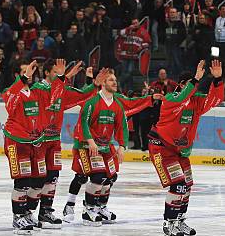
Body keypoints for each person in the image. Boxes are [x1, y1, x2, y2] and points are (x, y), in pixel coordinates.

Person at [68, 71, 158, 225]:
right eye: (111, 80)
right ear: (103, 83)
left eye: (115, 80)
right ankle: (88, 210)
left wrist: (122, 146)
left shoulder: (117, 103)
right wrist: (90, 141)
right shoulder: (92, 102)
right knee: (96, 178)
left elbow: (122, 126)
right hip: (88, 145)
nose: (115, 82)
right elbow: (84, 123)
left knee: (110, 177)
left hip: (104, 146)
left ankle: (101, 207)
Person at [149, 60, 224, 236]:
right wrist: (197, 78)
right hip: (162, 148)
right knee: (178, 185)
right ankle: (169, 223)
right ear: (182, 85)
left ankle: (180, 219)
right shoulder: (170, 99)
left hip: (180, 151)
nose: (195, 88)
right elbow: (181, 97)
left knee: (187, 186)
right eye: (191, 84)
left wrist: (218, 80)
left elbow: (215, 99)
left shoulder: (196, 102)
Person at [36, 61, 106, 228]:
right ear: (46, 73)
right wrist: (65, 77)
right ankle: (28, 212)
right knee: (36, 180)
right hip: (38, 141)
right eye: (55, 71)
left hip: (54, 141)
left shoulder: (62, 89)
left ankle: (45, 211)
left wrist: (93, 84)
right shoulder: (39, 88)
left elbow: (80, 96)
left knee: (53, 177)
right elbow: (51, 94)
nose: (59, 74)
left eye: (60, 72)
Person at [3, 60, 66, 234]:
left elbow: (53, 98)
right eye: (25, 71)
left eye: (31, 71)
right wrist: (24, 78)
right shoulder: (12, 92)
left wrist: (62, 77)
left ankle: (29, 213)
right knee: (22, 181)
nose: (29, 74)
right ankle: (18, 217)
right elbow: (9, 104)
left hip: (34, 142)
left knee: (38, 179)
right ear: (19, 75)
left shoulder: (35, 93)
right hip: (16, 142)